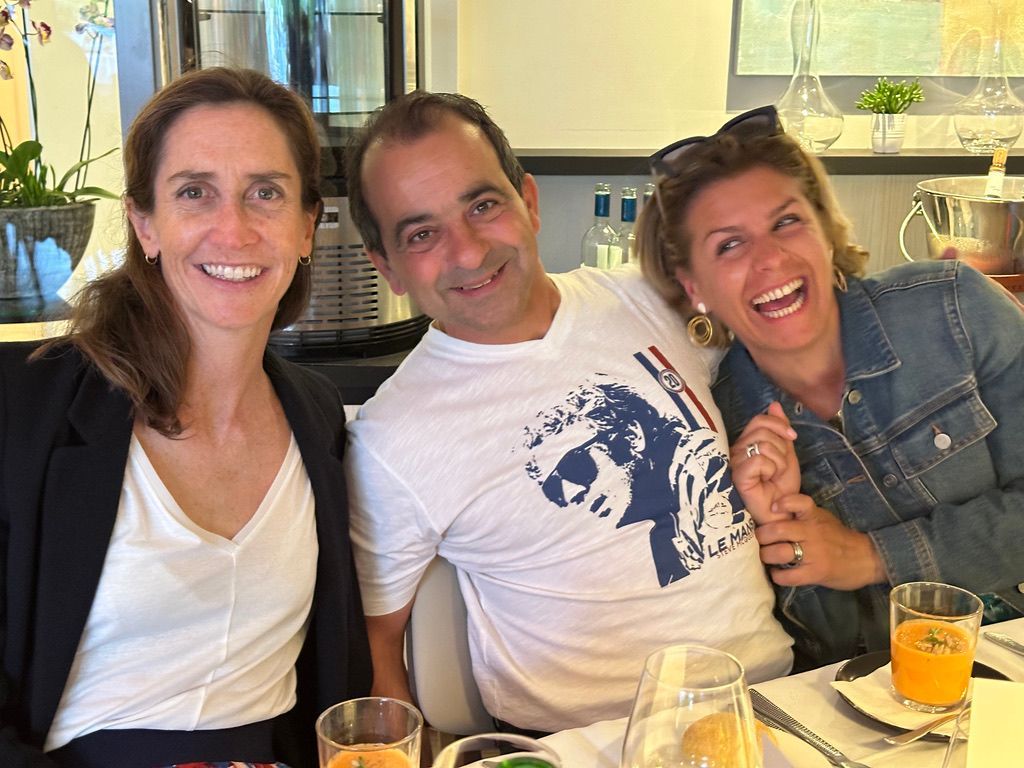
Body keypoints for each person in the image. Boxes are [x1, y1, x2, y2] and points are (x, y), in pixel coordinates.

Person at [343, 91, 793, 733]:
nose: (468, 251)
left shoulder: (654, 299)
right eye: (422, 234)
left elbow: (788, 350)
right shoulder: (393, 440)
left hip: (775, 703)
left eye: (483, 205)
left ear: (528, 202)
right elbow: (376, 643)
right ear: (385, 266)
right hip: (592, 745)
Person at [0, 67, 371, 768]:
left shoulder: (318, 417)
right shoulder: (27, 409)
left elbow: (334, 678)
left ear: (304, 227)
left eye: (265, 193)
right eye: (194, 192)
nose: (232, 229)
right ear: (146, 224)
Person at [637, 105, 1024, 668]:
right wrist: (777, 525)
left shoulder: (955, 310)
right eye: (728, 245)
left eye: (786, 222)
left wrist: (868, 556)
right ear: (694, 288)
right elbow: (813, 657)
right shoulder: (719, 426)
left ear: (824, 230)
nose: (769, 259)